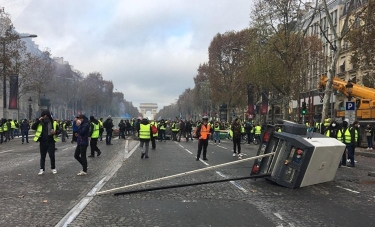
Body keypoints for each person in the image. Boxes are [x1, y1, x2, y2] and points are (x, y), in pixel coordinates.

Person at [31, 110, 60, 175]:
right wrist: (38, 120)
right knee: (43, 156)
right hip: (43, 141)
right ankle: (42, 169)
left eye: (46, 115)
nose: (45, 117)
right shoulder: (40, 122)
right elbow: (33, 127)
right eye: (44, 116)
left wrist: (55, 132)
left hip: (51, 141)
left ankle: (53, 168)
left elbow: (59, 130)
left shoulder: (53, 123)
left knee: (52, 156)